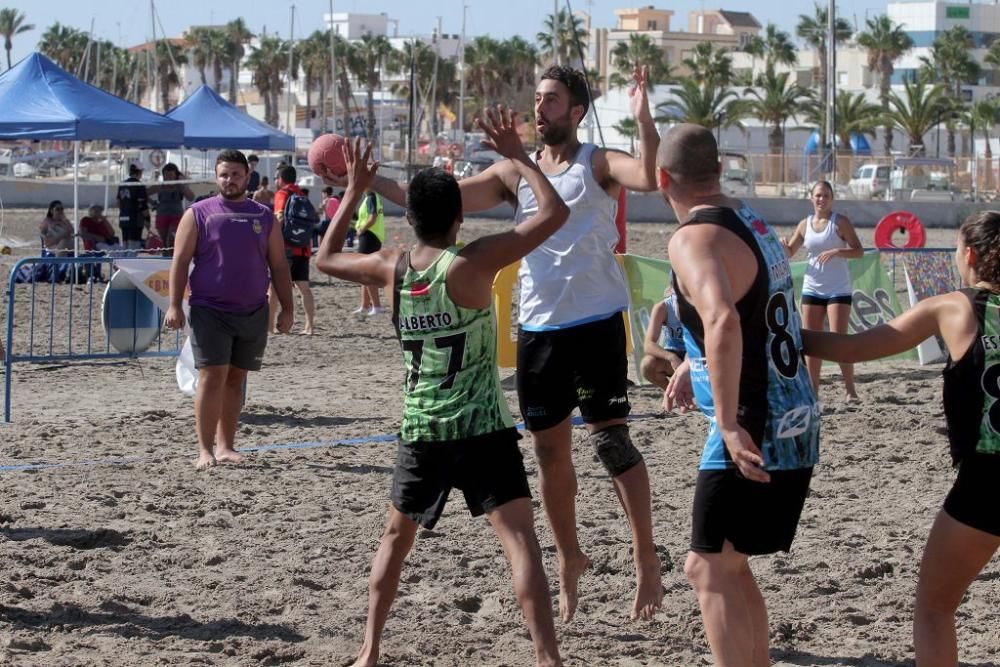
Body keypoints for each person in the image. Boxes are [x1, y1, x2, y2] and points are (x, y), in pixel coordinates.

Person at [319, 65, 665, 622]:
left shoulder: (597, 162)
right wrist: (359, 183)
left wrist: (644, 112)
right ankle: (569, 555)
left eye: (552, 100)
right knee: (550, 453)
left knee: (611, 445)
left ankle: (645, 556)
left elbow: (649, 173)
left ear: (576, 112)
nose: (540, 107)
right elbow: (432, 198)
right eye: (538, 98)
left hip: (597, 321)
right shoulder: (511, 173)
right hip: (538, 329)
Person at [316, 109, 569, 667]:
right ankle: (548, 658)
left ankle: (368, 652)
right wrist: (522, 158)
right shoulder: (474, 262)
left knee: (394, 541)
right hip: (482, 426)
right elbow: (554, 213)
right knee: (521, 543)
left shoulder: (393, 266)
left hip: (423, 425)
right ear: (459, 219)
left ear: (411, 218)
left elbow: (324, 258)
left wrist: (357, 190)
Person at [801, 211, 1000, 667]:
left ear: (969, 255)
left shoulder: (952, 308)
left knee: (934, 609)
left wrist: (783, 333)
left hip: (986, 483)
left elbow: (853, 348)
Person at [657, 123, 820, 666]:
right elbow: (748, 317)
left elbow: (724, 319)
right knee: (729, 562)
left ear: (662, 180)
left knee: (705, 567)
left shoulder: (691, 238)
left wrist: (726, 422)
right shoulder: (753, 220)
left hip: (754, 421)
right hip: (796, 412)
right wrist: (695, 365)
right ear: (719, 169)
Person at [164, 149, 294, 470]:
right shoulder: (198, 213)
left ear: (247, 177)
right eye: (224, 174)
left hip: (252, 310)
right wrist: (173, 305)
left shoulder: (263, 216)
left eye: (236, 174)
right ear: (216, 176)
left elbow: (278, 265)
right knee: (211, 376)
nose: (230, 180)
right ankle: (204, 450)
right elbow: (180, 262)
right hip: (209, 308)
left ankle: (226, 446)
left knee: (236, 379)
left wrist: (287, 309)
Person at [781, 180, 863, 400]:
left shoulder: (840, 222)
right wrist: (782, 245)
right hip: (812, 287)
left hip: (838, 288)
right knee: (813, 343)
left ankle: (850, 389)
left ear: (832, 199)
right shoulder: (804, 224)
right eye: (818, 195)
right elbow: (790, 252)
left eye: (826, 195)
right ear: (811, 198)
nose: (821, 199)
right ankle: (813, 391)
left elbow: (858, 251)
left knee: (839, 340)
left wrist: (838, 251)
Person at [268, 165, 317, 335]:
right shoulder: (302, 194)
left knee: (274, 288)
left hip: (286, 248)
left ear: (280, 179)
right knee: (304, 287)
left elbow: (280, 217)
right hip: (303, 247)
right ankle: (309, 327)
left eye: (276, 178)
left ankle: (270, 327)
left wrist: (272, 241)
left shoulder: (282, 193)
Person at [639, 291, 685, 390]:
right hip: (674, 353)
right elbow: (648, 345)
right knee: (647, 365)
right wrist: (671, 357)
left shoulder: (702, 303)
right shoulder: (663, 307)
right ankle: (673, 393)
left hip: (697, 353)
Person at [149, 162, 195, 252]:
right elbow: (144, 193)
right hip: (162, 215)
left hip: (176, 216)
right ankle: (166, 259)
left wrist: (183, 185)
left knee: (171, 239)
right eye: (166, 175)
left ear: (175, 175)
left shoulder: (180, 186)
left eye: (171, 175)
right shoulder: (160, 186)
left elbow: (191, 197)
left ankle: (173, 259)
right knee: (164, 243)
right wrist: (153, 203)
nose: (168, 177)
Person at [353, 190, 385, 315]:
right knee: (363, 273)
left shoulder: (371, 197)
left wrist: (362, 229)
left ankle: (376, 306)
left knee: (366, 272)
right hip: (370, 236)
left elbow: (373, 217)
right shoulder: (370, 197)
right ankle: (365, 305)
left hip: (370, 236)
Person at [117, 163, 150, 249]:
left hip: (123, 218)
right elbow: (142, 205)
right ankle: (128, 262)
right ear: (139, 172)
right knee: (133, 247)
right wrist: (147, 219)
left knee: (125, 245)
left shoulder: (122, 185)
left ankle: (123, 262)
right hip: (135, 219)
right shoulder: (139, 185)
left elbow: (118, 202)